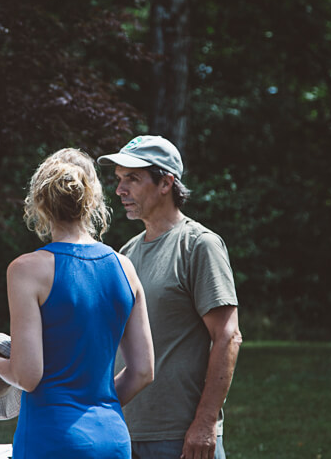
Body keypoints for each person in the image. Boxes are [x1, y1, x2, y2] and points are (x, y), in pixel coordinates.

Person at [0, 148, 155, 459]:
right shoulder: (124, 267)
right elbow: (142, 372)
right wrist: (100, 405)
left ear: (39, 204)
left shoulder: (26, 270)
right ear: (93, 201)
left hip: (52, 438)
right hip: (113, 438)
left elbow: (27, 376)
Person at [97, 135, 242, 459]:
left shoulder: (199, 245)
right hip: (124, 431)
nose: (120, 190)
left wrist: (205, 423)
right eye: (119, 180)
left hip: (181, 438)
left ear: (166, 183)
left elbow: (228, 337)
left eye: (132, 179)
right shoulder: (126, 253)